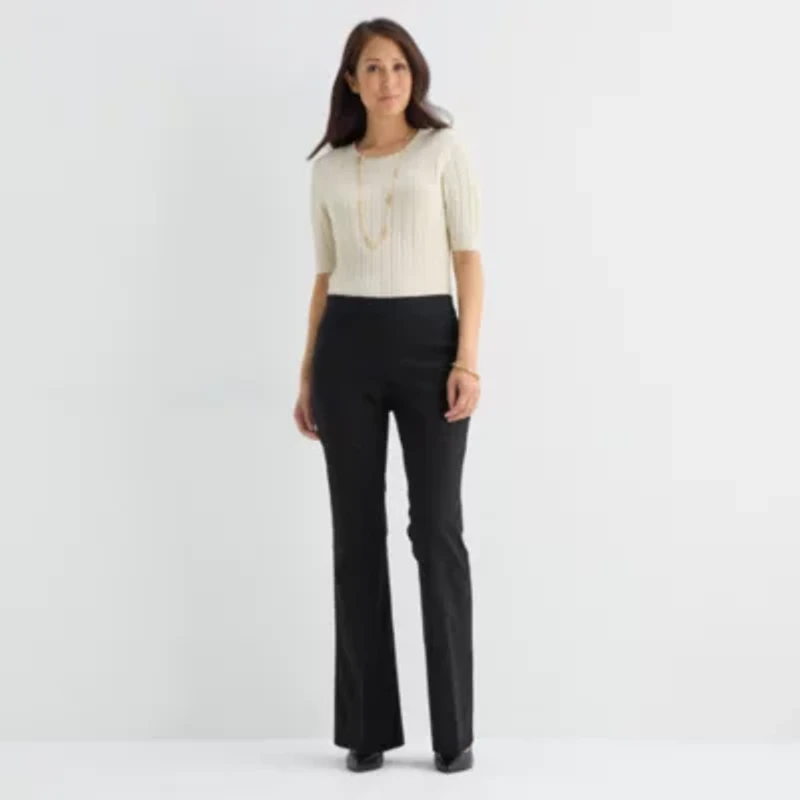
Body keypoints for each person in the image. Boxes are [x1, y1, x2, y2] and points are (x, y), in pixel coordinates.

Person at [293, 17, 484, 775]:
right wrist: (307, 372)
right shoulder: (328, 170)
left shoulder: (443, 150)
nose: (387, 80)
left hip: (429, 343)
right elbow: (323, 276)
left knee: (435, 529)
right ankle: (365, 728)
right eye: (372, 68)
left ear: (415, 75)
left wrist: (467, 360)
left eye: (399, 66)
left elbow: (468, 261)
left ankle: (454, 731)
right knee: (356, 533)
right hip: (346, 349)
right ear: (351, 80)